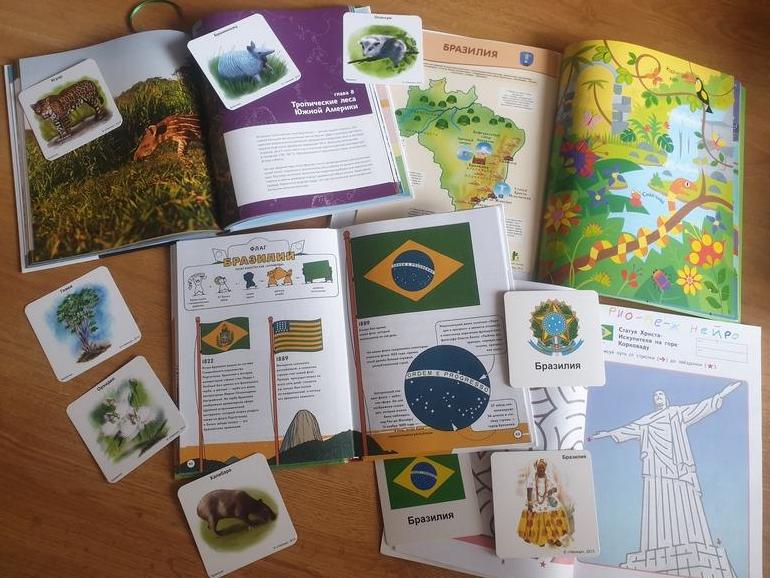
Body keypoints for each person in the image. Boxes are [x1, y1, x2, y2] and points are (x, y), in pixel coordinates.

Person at [517, 458, 571, 547]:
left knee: (552, 518)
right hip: (535, 500)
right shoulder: (532, 479)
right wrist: (530, 502)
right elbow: (529, 490)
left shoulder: (548, 477)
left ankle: (554, 538)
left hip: (547, 500)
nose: (541, 469)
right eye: (539, 468)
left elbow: (555, 488)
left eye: (543, 468)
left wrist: (552, 490)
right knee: (536, 519)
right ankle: (540, 539)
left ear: (545, 468)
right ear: (536, 468)